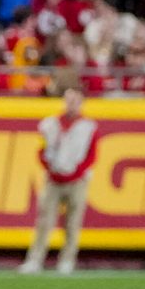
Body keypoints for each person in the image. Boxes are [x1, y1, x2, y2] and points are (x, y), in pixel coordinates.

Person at [19, 84, 98, 274]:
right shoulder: (50, 124)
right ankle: (35, 260)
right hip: (53, 179)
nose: (71, 104)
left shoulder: (88, 126)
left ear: (81, 102)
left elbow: (92, 155)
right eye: (69, 99)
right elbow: (41, 150)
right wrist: (50, 169)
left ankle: (67, 260)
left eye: (75, 100)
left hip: (77, 181)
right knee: (44, 221)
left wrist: (76, 172)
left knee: (72, 223)